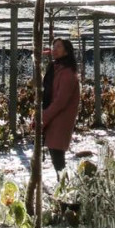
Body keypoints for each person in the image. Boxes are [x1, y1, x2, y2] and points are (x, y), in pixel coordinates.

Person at [41, 38, 80, 177]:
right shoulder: (55, 68)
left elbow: (60, 101)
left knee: (58, 158)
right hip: (54, 117)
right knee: (56, 157)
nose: (54, 49)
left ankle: (65, 189)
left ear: (66, 51)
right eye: (53, 46)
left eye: (58, 46)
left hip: (60, 119)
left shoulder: (68, 73)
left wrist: (43, 116)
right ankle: (64, 189)